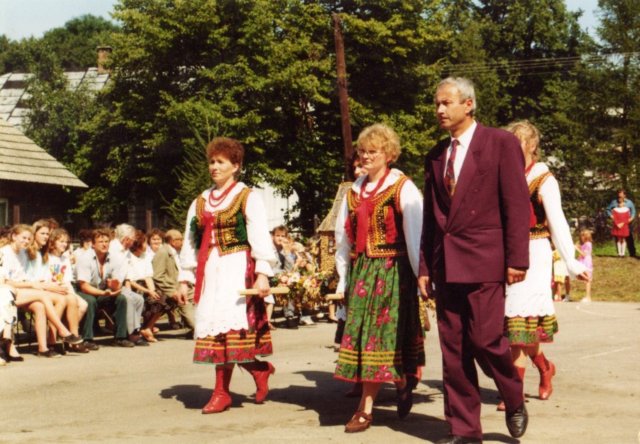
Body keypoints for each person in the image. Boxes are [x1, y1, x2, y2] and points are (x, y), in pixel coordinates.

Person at [418, 77, 530, 443]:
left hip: (486, 260)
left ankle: (513, 395)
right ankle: (465, 430)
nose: (439, 110)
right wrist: (424, 267)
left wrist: (517, 259)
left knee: (485, 340)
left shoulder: (500, 143)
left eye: (446, 103)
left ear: (469, 104)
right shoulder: (436, 155)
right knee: (454, 351)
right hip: (445, 264)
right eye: (437, 103)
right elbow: (431, 219)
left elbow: (517, 204)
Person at [334, 123, 425, 433]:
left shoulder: (403, 187)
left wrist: (422, 277)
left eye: (373, 151)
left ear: (389, 154)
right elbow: (344, 239)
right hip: (363, 273)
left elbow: (415, 237)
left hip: (393, 273)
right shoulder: (353, 191)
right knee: (364, 338)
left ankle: (365, 409)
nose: (366, 156)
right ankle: (401, 382)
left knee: (378, 338)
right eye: (363, 151)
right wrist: (343, 277)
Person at [178, 136, 277, 414]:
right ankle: (257, 370)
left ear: (236, 166)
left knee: (232, 330)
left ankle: (222, 392)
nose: (214, 167)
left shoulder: (247, 197)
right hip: (211, 270)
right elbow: (190, 242)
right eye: (212, 162)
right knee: (216, 331)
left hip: (237, 268)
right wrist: (184, 278)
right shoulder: (200, 202)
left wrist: (262, 273)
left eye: (221, 162)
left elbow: (259, 237)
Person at [500, 120, 590, 411]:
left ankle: (513, 395)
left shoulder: (543, 179)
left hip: (534, 254)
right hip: (505, 254)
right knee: (517, 328)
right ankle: (544, 367)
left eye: (517, 142)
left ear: (532, 145)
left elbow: (558, 222)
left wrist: (572, 263)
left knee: (518, 325)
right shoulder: (504, 175)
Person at [0, 224, 84, 358]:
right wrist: (33, 285)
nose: (26, 241)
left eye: (29, 239)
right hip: (7, 293)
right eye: (23, 238)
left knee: (40, 306)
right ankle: (63, 332)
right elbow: (4, 282)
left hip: (22, 290)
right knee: (44, 296)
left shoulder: (22, 253)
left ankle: (43, 348)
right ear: (14, 236)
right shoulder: (4, 253)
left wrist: (34, 284)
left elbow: (26, 276)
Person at [75, 228, 135, 349]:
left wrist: (114, 285)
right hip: (82, 291)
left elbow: (117, 284)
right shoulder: (85, 258)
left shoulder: (113, 258)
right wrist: (104, 293)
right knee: (90, 301)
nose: (104, 244)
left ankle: (120, 337)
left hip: (102, 291)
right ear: (93, 244)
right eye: (101, 242)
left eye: (107, 241)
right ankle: (87, 339)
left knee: (121, 299)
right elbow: (84, 286)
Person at [43, 228, 90, 353]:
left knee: (83, 305)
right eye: (61, 241)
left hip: (64, 289)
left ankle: (71, 337)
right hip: (50, 289)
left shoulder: (65, 259)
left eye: (66, 242)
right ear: (53, 242)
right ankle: (54, 338)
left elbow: (67, 281)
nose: (64, 244)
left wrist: (72, 295)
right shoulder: (46, 257)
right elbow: (44, 280)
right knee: (64, 302)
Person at [109, 224, 147, 346]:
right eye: (133, 239)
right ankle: (132, 334)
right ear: (126, 239)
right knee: (129, 300)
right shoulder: (112, 249)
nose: (134, 241)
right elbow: (110, 272)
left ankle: (134, 330)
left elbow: (127, 275)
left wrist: (128, 290)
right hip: (110, 285)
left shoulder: (126, 251)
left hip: (121, 285)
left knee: (139, 299)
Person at [606, 189, 636, 257]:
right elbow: (608, 209)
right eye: (619, 195)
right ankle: (620, 253)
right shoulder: (614, 202)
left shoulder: (629, 202)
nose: (620, 196)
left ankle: (632, 253)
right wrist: (611, 216)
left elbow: (633, 211)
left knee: (629, 237)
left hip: (627, 222)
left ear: (625, 195)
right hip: (617, 223)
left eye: (621, 195)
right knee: (618, 238)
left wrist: (631, 218)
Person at [576, 229, 594, 303]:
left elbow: (584, 254)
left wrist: (577, 248)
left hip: (586, 262)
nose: (581, 238)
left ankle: (588, 297)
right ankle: (587, 296)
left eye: (583, 236)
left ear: (586, 237)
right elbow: (581, 254)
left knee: (587, 280)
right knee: (584, 279)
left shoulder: (588, 244)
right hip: (583, 261)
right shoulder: (584, 244)